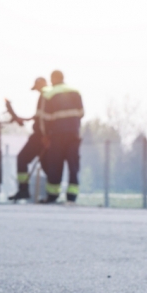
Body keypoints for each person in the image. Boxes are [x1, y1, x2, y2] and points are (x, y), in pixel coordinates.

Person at [39, 70, 84, 203]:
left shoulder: (48, 94)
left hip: (57, 135)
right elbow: (81, 113)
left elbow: (45, 118)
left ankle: (53, 195)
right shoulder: (76, 92)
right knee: (73, 165)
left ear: (52, 79)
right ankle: (72, 196)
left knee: (55, 165)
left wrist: (45, 135)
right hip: (74, 134)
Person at [8, 77, 48, 202]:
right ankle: (49, 194)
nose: (37, 91)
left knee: (22, 158)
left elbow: (43, 119)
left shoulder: (45, 96)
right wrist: (24, 119)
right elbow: (38, 117)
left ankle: (24, 190)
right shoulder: (45, 97)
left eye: (37, 88)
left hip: (40, 137)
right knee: (47, 164)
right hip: (43, 136)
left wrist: (45, 135)